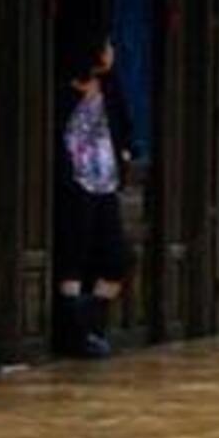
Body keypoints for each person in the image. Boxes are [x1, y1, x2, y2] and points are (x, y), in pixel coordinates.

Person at [54, 33, 133, 358]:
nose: (111, 53)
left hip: (106, 183)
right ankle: (76, 334)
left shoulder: (111, 88)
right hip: (75, 184)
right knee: (74, 256)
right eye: (107, 47)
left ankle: (90, 324)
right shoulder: (63, 91)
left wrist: (126, 154)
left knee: (116, 259)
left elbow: (125, 125)